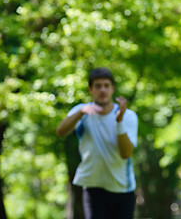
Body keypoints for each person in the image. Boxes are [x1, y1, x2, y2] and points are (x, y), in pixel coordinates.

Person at [56, 67, 138, 219]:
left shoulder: (128, 116)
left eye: (106, 85)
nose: (102, 90)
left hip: (122, 189)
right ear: (90, 89)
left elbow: (125, 153)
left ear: (112, 89)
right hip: (93, 188)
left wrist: (119, 122)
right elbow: (61, 131)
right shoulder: (81, 111)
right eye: (98, 86)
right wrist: (80, 113)